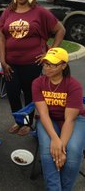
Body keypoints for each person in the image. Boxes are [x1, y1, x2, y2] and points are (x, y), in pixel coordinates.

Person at [0, 0, 65, 135]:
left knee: (30, 94)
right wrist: (3, 60)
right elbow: (1, 36)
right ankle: (18, 121)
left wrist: (50, 54)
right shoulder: (8, 12)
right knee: (13, 95)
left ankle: (28, 123)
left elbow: (60, 30)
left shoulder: (39, 12)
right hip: (10, 65)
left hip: (32, 64)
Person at [32, 47, 85, 191]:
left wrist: (61, 146)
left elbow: (70, 119)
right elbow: (43, 113)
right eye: (45, 63)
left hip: (74, 120)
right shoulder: (38, 83)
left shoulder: (74, 86)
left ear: (63, 65)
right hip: (48, 119)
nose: (47, 67)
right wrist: (55, 140)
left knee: (73, 150)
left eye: (52, 64)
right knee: (48, 150)